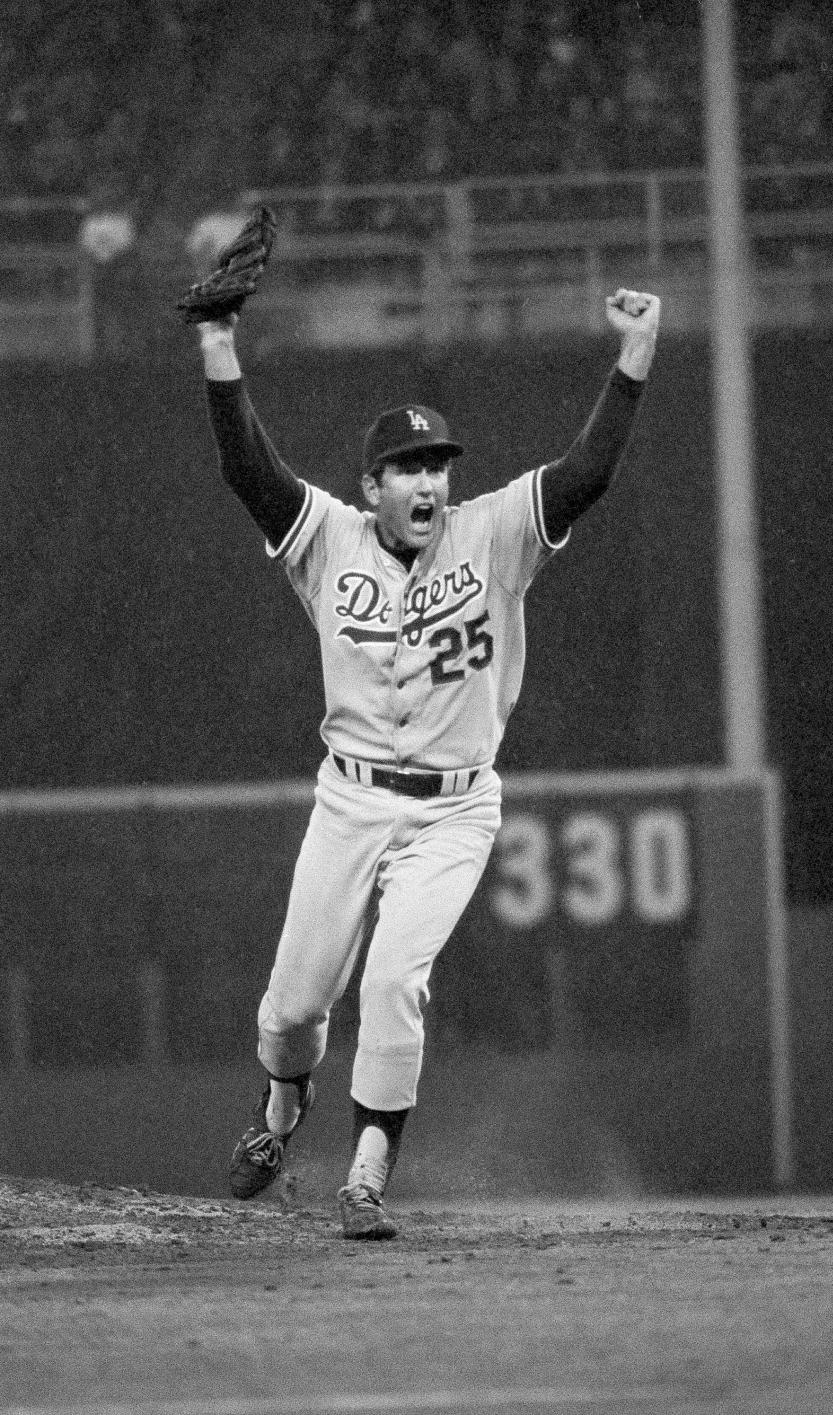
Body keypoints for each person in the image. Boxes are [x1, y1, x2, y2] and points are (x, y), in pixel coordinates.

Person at [194, 286, 660, 1239]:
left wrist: (635, 355)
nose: (428, 482)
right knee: (290, 1011)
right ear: (372, 486)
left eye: (437, 465)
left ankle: (365, 1177)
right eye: (407, 466)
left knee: (394, 979)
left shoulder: (493, 533)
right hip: (350, 799)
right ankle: (283, 1111)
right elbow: (249, 468)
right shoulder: (328, 539)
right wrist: (218, 342)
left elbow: (587, 474)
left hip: (454, 811)